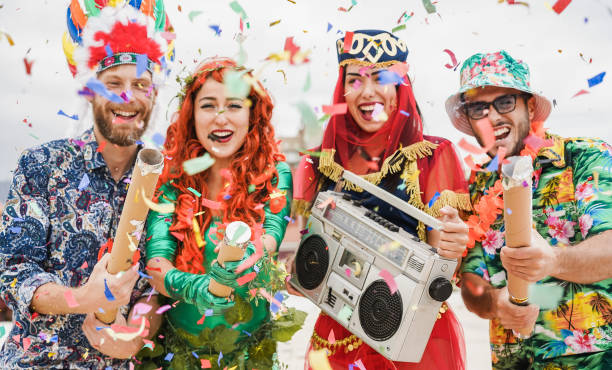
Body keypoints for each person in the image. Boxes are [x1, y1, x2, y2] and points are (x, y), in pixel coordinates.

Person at [0, 2, 175, 368]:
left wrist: (136, 338)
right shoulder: (41, 166)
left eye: (140, 84)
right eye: (113, 83)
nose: (126, 97)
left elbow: (157, 292)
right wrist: (84, 297)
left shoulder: (165, 183)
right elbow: (14, 271)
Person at [291, 29, 471, 370]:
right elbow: (312, 257)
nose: (367, 92)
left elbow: (446, 271)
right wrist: (300, 271)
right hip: (337, 338)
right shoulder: (319, 162)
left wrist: (449, 243)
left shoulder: (434, 157)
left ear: (400, 88)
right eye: (354, 79)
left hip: (413, 343)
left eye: (380, 78)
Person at [449, 51, 612, 369]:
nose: (493, 117)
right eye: (478, 108)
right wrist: (496, 303)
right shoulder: (476, 186)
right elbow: (471, 282)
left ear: (531, 107)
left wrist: (554, 260)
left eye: (505, 102)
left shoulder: (585, 158)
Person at [141, 58, 304, 369]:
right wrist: (199, 288)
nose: (220, 118)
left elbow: (271, 234)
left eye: (233, 105)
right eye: (208, 105)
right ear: (191, 115)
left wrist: (253, 252)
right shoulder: (170, 181)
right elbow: (157, 263)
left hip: (250, 354)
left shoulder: (275, 175)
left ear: (252, 113)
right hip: (175, 354)